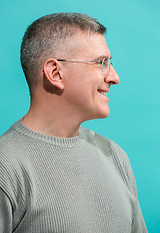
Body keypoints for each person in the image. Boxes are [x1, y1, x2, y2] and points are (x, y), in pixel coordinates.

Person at [0, 13, 147, 233]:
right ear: (55, 73)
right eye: (101, 63)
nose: (114, 77)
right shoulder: (6, 168)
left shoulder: (115, 157)